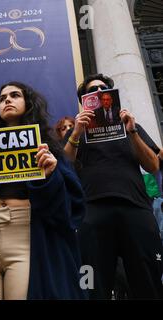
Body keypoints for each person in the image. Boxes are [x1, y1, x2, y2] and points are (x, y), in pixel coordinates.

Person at [0, 81, 86, 300]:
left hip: (27, 239)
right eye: (2, 98)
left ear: (28, 103)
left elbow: (70, 209)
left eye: (15, 95)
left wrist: (50, 177)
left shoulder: (48, 147)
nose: (7, 100)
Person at [64, 73, 163, 299]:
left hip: (136, 208)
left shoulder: (130, 125)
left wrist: (132, 132)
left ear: (111, 96)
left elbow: (153, 165)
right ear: (84, 101)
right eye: (92, 91)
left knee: (148, 281)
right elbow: (64, 165)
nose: (98, 93)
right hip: (91, 211)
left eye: (102, 89)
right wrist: (77, 132)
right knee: (90, 285)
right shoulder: (76, 131)